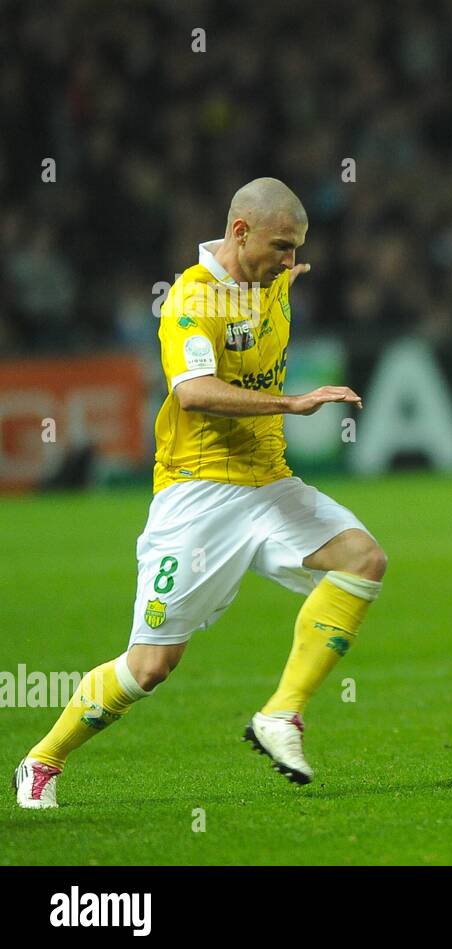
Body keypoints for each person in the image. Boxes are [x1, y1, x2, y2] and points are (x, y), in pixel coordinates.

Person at [14, 178, 388, 807]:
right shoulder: (193, 299)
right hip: (198, 494)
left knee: (364, 558)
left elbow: (271, 284)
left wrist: (280, 274)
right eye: (281, 247)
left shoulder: (270, 280)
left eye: (297, 250)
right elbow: (192, 391)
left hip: (269, 484)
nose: (290, 262)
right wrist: (291, 402)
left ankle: (281, 715)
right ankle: (43, 759)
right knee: (151, 666)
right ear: (239, 233)